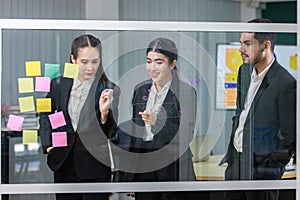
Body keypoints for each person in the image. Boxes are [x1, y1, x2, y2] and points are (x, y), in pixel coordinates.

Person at [221, 18, 296, 200]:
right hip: (236, 166)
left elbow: (290, 136)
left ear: (266, 45)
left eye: (247, 44)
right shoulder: (243, 72)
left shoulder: (285, 83)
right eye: (241, 43)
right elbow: (240, 114)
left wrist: (271, 170)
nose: (240, 50)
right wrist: (232, 159)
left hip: (262, 172)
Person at [39, 34, 120, 200]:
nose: (89, 68)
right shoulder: (58, 85)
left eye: (95, 62)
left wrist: (104, 113)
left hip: (94, 167)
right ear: (73, 59)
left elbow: (112, 133)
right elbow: (45, 115)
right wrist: (48, 146)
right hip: (64, 163)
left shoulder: (109, 89)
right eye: (84, 62)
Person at [116, 37, 197, 200]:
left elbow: (185, 135)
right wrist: (130, 176)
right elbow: (135, 134)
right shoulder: (140, 89)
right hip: (144, 166)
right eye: (149, 61)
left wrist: (158, 122)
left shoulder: (186, 92)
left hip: (173, 167)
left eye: (159, 62)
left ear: (172, 64)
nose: (152, 68)